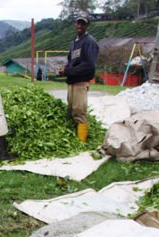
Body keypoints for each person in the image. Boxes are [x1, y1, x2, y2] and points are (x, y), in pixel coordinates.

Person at [58, 12, 99, 143]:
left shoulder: (89, 42)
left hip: (81, 82)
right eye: (78, 22)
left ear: (87, 26)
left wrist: (68, 70)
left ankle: (81, 142)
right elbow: (71, 61)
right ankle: (73, 139)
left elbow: (89, 66)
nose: (80, 25)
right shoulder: (74, 43)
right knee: (71, 110)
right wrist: (64, 69)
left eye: (83, 23)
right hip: (72, 82)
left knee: (79, 112)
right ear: (75, 24)